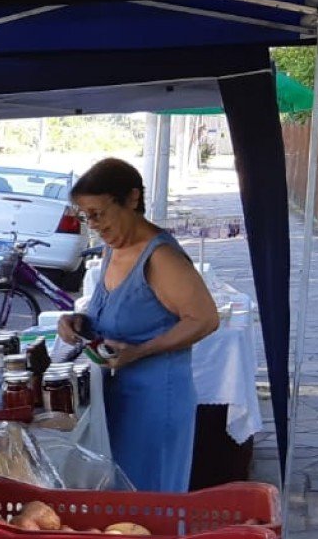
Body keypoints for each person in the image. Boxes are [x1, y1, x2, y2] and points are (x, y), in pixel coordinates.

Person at [57, 157, 219, 492]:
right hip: (120, 396)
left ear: (132, 199)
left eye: (99, 213)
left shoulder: (161, 257)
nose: (95, 225)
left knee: (150, 499)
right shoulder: (112, 249)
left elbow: (205, 319)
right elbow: (119, 311)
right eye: (87, 216)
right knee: (123, 500)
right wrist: (78, 322)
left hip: (157, 399)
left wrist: (142, 350)